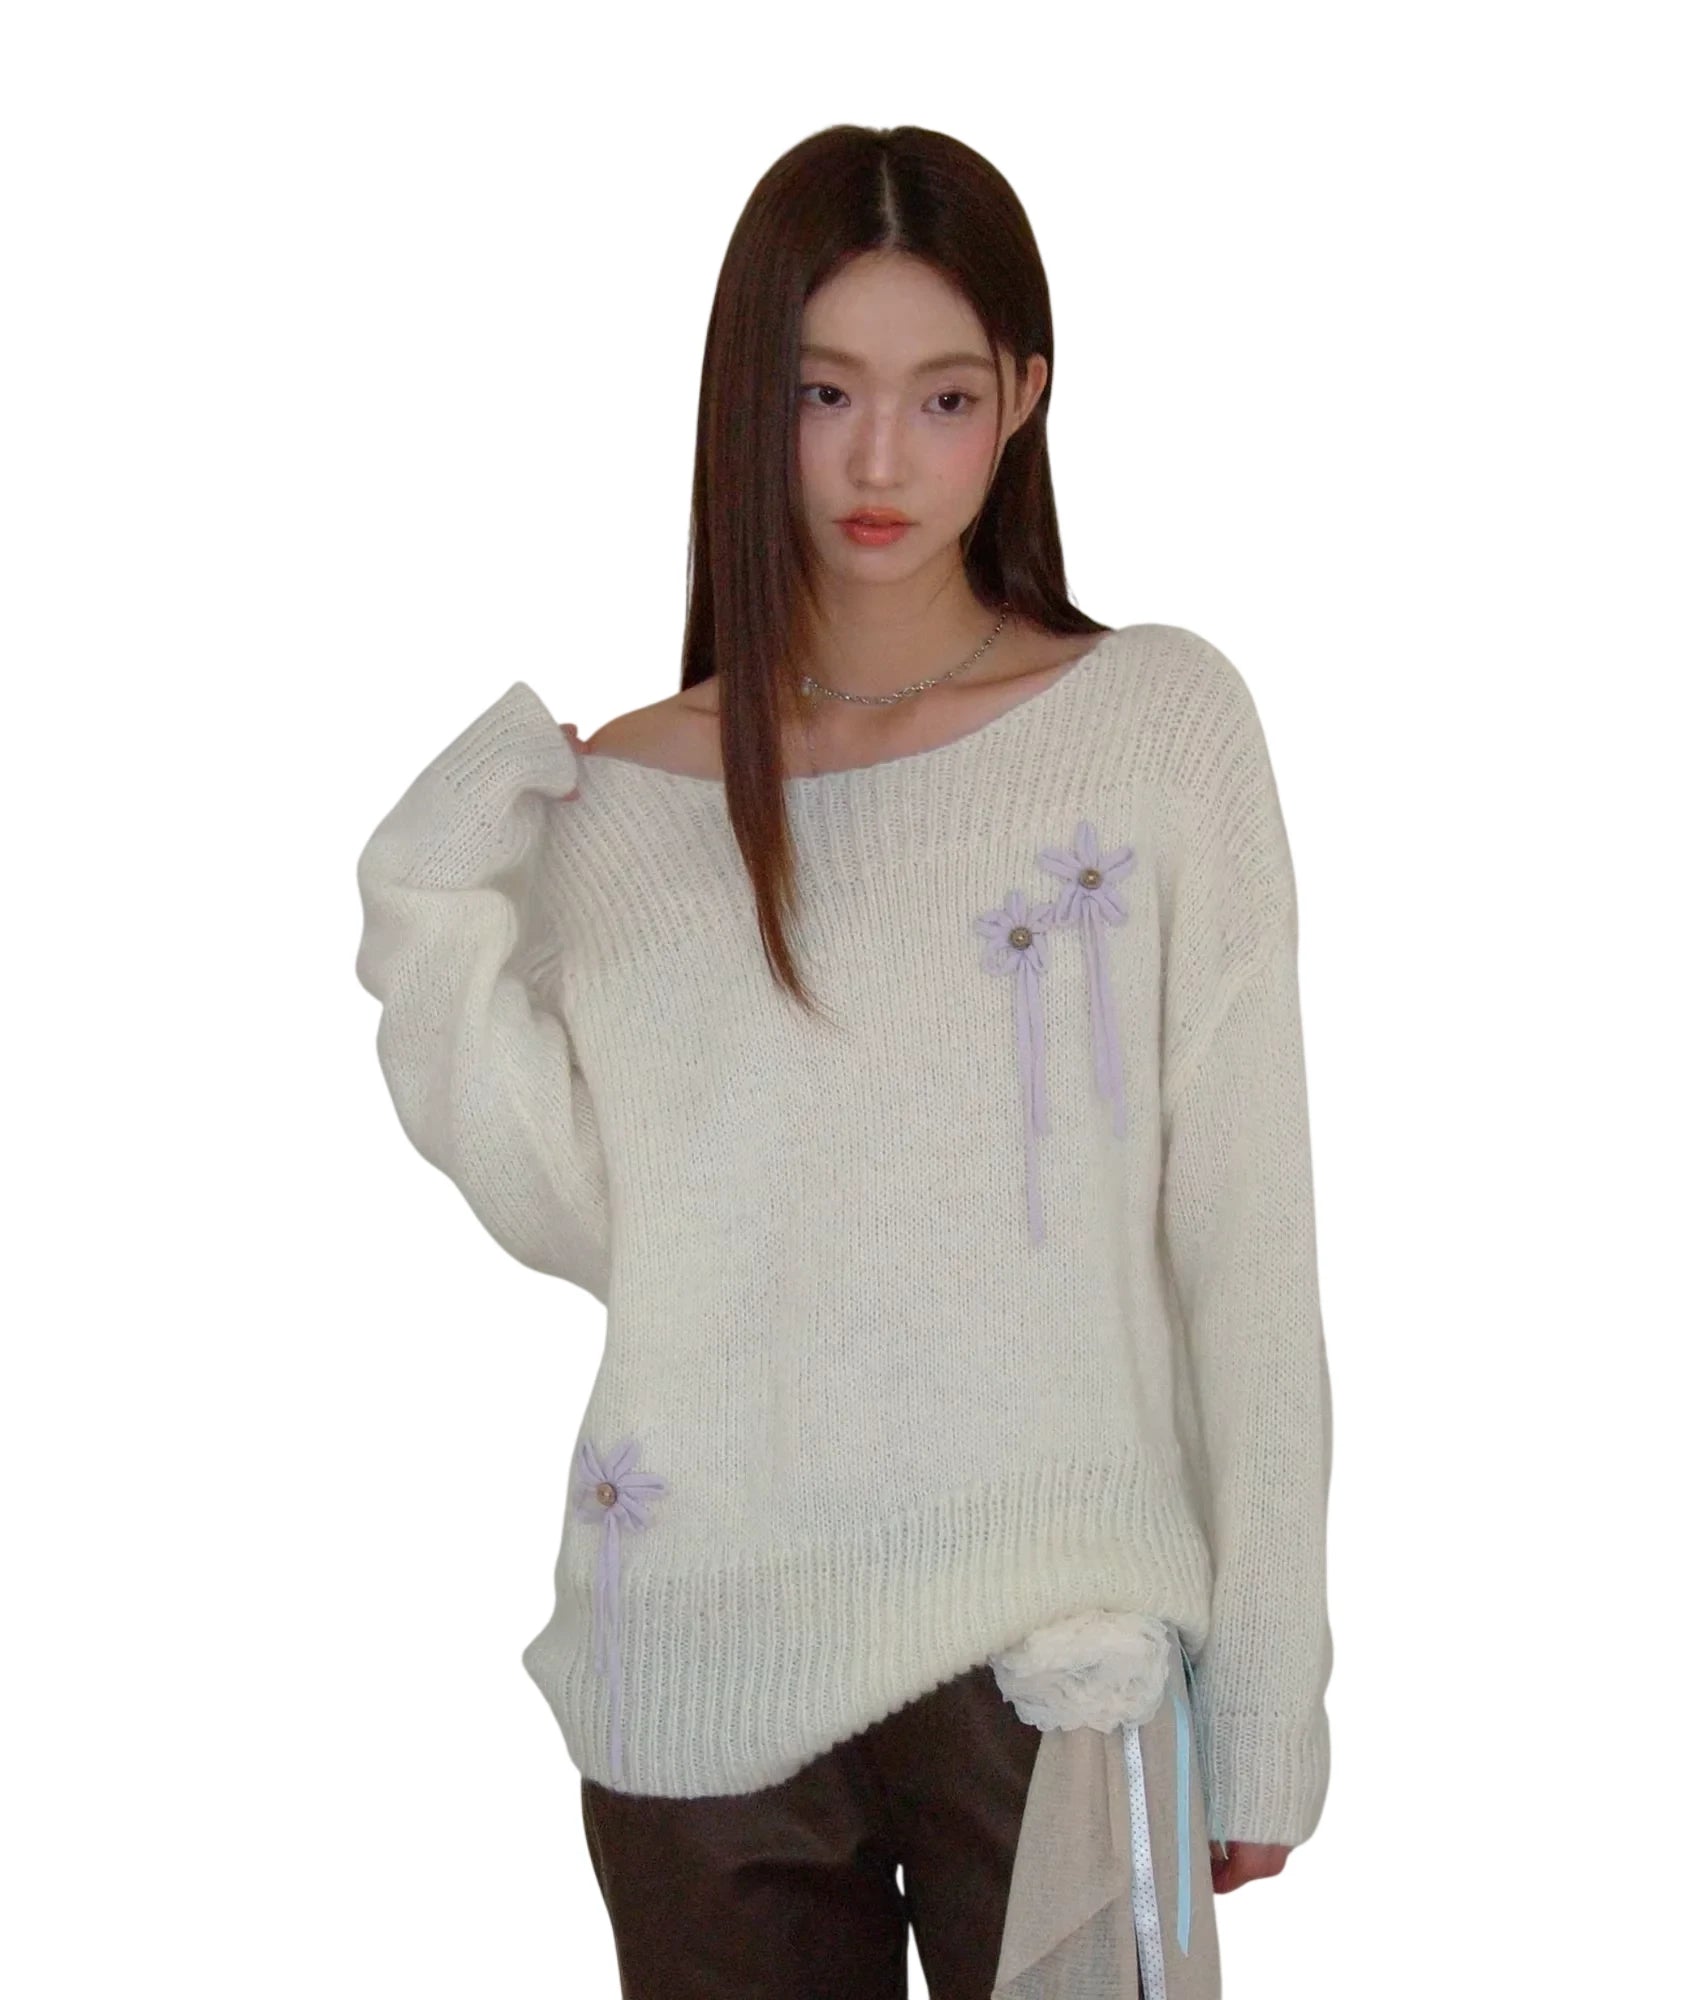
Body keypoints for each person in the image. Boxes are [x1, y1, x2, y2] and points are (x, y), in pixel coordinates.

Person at [353, 121, 1332, 1999]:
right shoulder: (630, 806)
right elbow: (596, 1222)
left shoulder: (1156, 728)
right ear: (749, 397)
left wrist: (1271, 1686)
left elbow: (1245, 1236)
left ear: (1024, 396)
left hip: (1061, 1655)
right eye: (824, 393)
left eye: (944, 396)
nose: (882, 459)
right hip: (699, 1663)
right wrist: (442, 870)